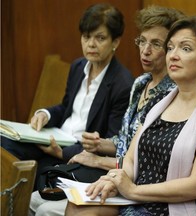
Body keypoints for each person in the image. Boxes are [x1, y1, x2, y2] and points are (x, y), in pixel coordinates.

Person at [65, 15, 196, 216]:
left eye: (185, 49)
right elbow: (131, 159)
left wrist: (132, 190)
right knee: (78, 206)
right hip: (144, 200)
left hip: (181, 208)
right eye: (170, 48)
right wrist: (114, 179)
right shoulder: (159, 101)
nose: (173, 56)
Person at [29, 5, 185, 216]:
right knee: (34, 198)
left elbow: (146, 160)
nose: (145, 50)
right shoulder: (141, 83)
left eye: (156, 44)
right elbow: (125, 139)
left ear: (171, 48)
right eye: (142, 41)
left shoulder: (173, 95)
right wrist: (100, 143)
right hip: (116, 173)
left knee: (45, 208)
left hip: (135, 184)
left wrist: (98, 159)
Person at [1, 3, 134, 180]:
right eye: (86, 37)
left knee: (39, 175)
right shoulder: (78, 66)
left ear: (115, 42)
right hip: (54, 137)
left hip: (79, 152)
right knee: (4, 144)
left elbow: (111, 141)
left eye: (100, 38)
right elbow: (66, 108)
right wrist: (45, 114)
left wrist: (61, 153)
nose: (91, 44)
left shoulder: (123, 84)